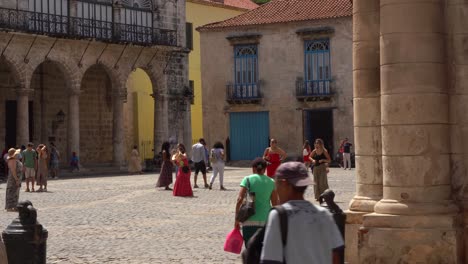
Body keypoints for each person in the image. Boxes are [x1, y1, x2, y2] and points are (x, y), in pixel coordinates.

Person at [260, 162, 344, 264]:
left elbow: (270, 260)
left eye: (277, 184)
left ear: (284, 183)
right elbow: (336, 256)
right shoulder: (324, 214)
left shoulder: (279, 216)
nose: (276, 189)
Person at [234, 158, 278, 245]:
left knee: (250, 249)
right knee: (263, 250)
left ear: (253, 168)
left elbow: (239, 200)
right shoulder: (272, 182)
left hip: (248, 220)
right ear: (265, 169)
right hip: (265, 221)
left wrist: (237, 219)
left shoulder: (247, 180)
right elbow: (275, 203)